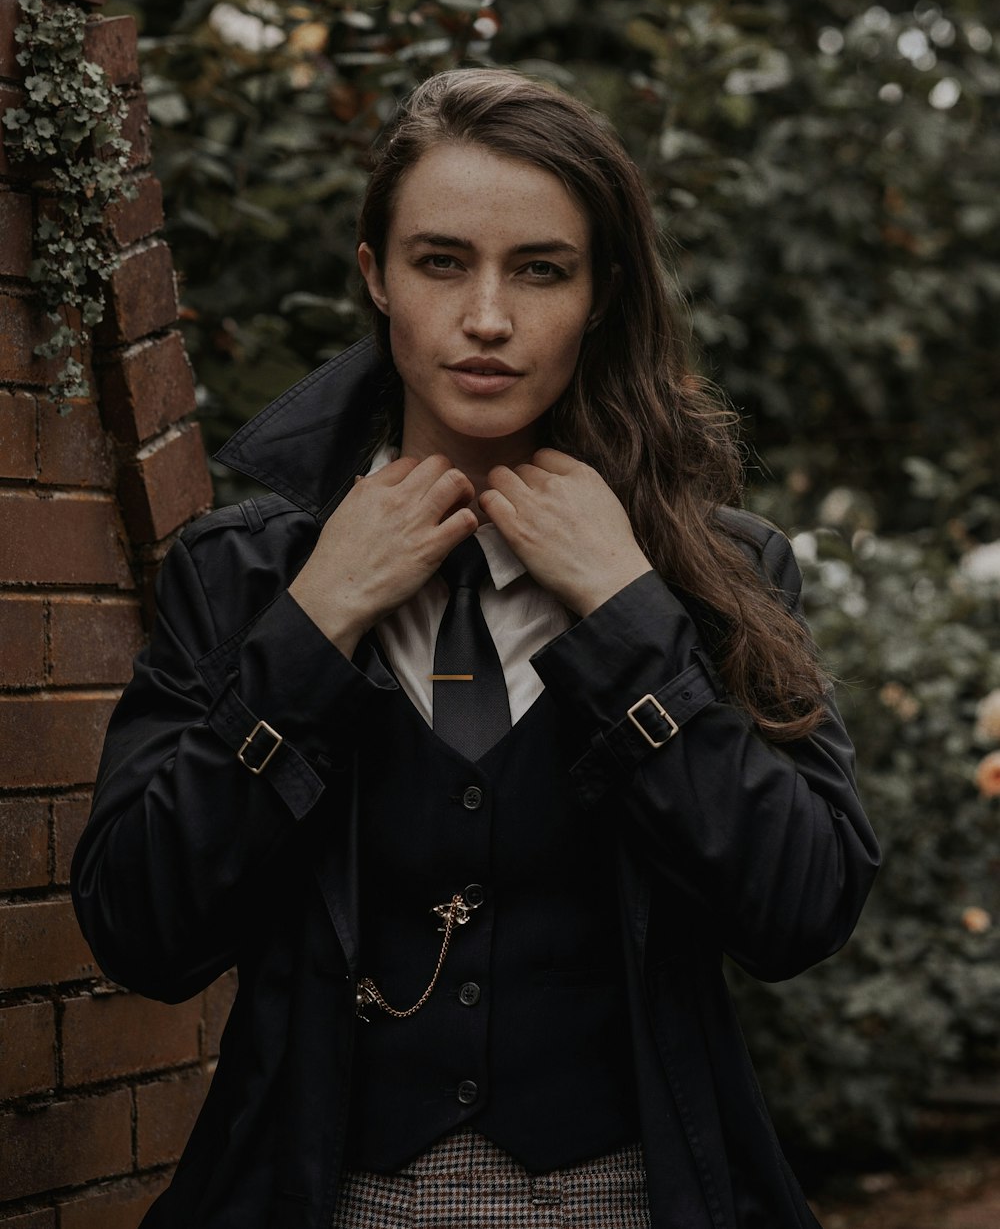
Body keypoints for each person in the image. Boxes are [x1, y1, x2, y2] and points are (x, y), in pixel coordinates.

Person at [72, 68, 880, 1229]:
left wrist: (626, 610)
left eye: (540, 268)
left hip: (630, 1202)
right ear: (375, 276)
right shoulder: (243, 576)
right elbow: (138, 927)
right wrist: (312, 626)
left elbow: (804, 904)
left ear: (598, 293)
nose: (488, 317)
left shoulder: (716, 576)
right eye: (441, 261)